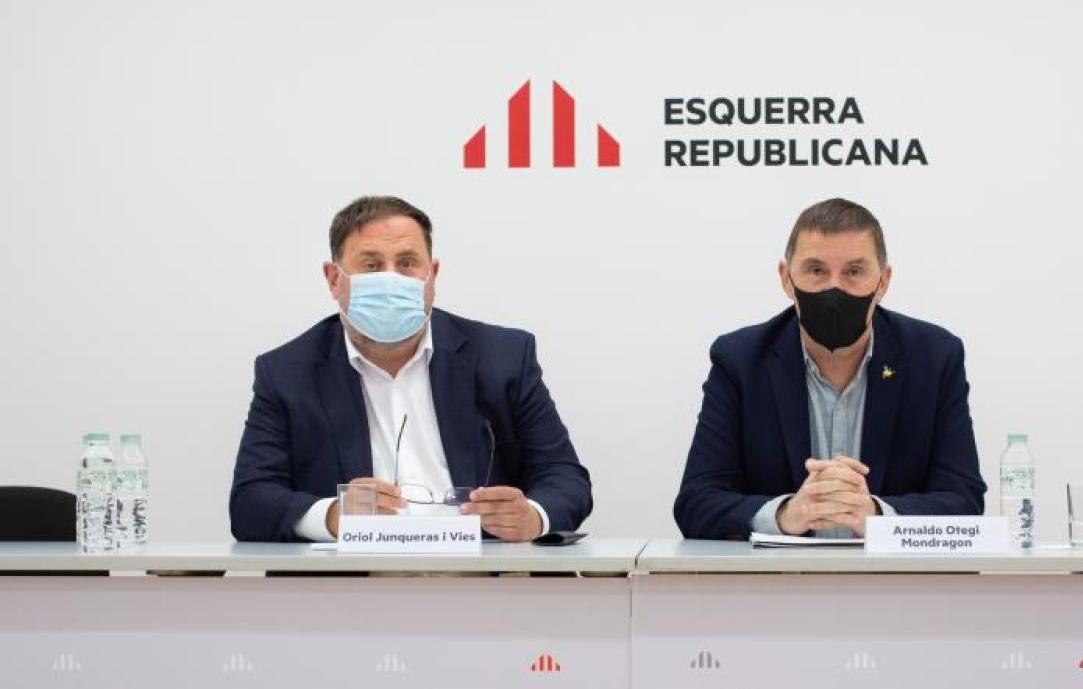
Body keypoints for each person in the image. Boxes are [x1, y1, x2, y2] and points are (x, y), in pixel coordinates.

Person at [230, 196, 592, 542]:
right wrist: (333, 516)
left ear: (432, 275)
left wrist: (531, 516)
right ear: (334, 279)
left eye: (406, 263)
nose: (392, 280)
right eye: (372, 265)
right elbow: (250, 501)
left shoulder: (503, 357)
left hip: (479, 574)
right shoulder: (287, 372)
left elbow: (565, 479)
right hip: (349, 580)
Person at [674, 198, 985, 540]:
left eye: (854, 272)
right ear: (786, 279)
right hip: (781, 575)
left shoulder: (934, 358)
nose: (834, 289)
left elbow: (965, 502)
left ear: (883, 282)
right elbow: (696, 503)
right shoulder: (741, 360)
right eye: (816, 270)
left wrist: (878, 516)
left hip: (891, 575)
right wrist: (785, 514)